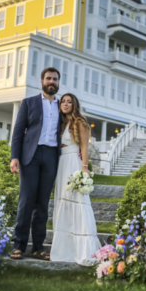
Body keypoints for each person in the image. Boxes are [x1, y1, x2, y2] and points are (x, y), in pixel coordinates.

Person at [9, 67, 63, 261]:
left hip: (52, 156)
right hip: (30, 156)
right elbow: (18, 131)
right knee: (26, 201)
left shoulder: (62, 106)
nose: (51, 82)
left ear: (58, 82)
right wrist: (14, 157)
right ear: (42, 81)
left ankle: (38, 248)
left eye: (55, 79)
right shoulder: (29, 103)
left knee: (42, 203)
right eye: (48, 78)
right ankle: (18, 245)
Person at [50, 93, 100, 265]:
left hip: (73, 163)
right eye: (63, 101)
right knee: (63, 202)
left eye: (69, 102)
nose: (65, 104)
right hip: (62, 163)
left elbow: (84, 147)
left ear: (74, 104)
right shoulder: (61, 123)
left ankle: (83, 250)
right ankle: (64, 250)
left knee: (77, 202)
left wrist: (84, 169)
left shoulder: (80, 122)